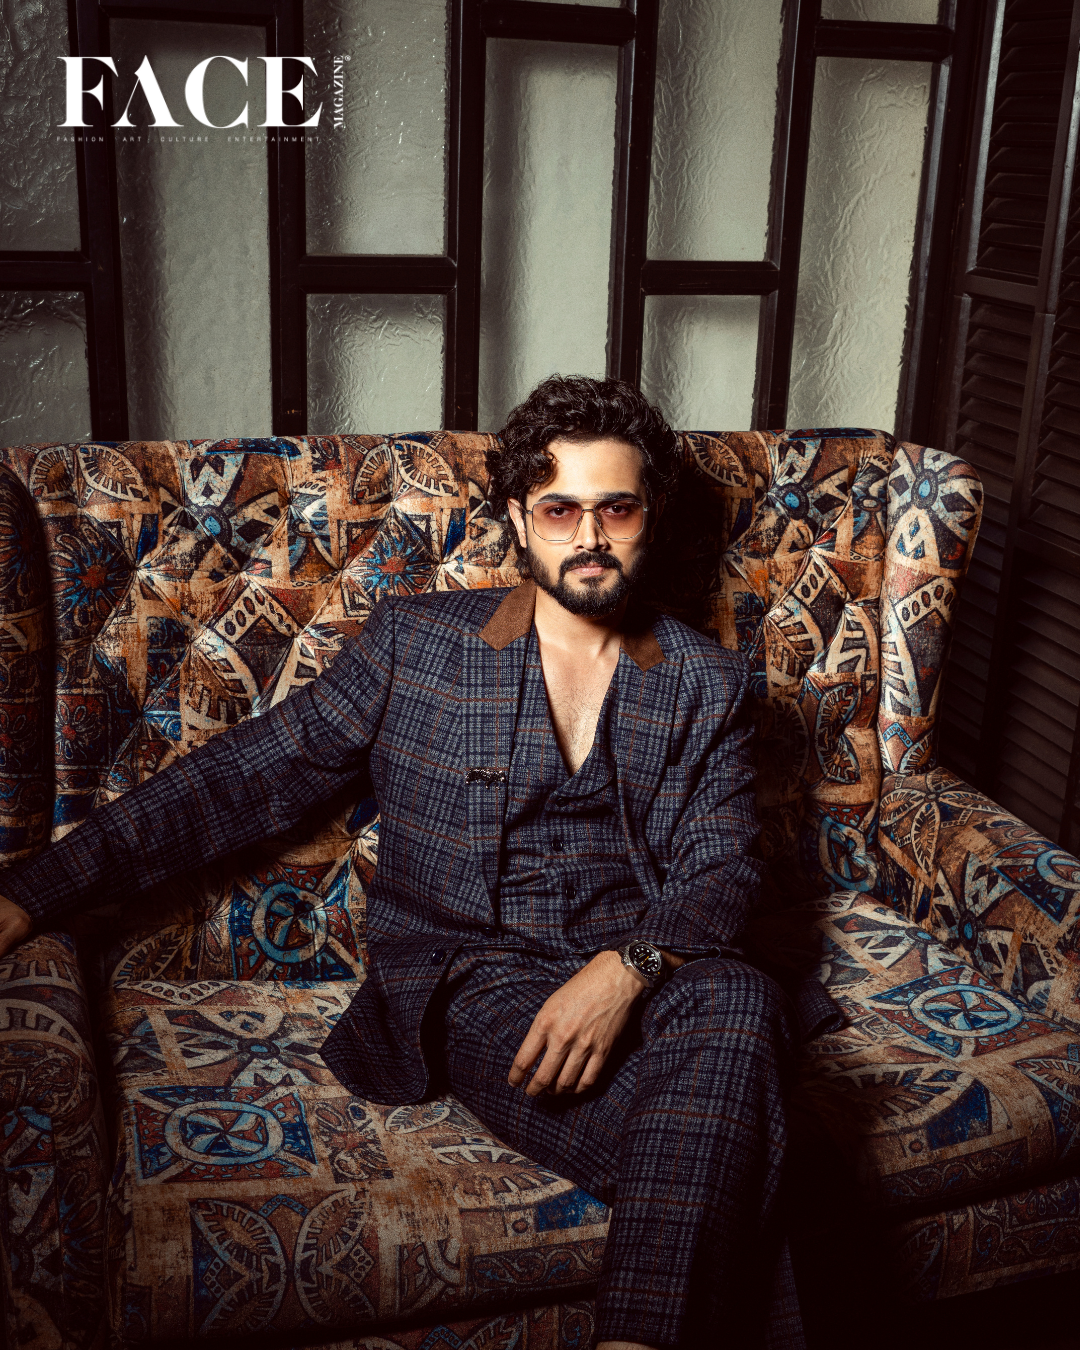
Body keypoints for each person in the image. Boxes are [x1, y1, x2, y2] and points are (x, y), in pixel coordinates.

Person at [0, 375, 803, 1350]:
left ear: (651, 516)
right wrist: (32, 894)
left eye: (616, 509)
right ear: (520, 518)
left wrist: (627, 968)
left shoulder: (703, 679)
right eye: (560, 509)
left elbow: (722, 869)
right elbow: (243, 779)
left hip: (650, 976)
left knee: (737, 997)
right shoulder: (418, 645)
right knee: (748, 1146)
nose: (589, 536)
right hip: (478, 984)